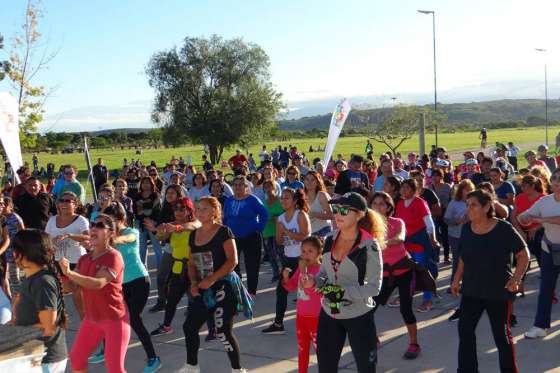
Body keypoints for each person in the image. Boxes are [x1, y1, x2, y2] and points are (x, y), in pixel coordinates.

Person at [451, 190, 529, 373]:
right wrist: (456, 279)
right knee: (465, 331)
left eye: (473, 205)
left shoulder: (503, 229)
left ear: (487, 207)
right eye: (467, 205)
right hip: (471, 290)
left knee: (501, 336)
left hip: (498, 292)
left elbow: (523, 254)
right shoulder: (466, 228)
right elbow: (463, 255)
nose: (468, 209)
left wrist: (516, 278)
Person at [310, 192, 383, 373]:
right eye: (335, 209)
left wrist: (343, 292)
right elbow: (324, 274)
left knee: (366, 369)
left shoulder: (369, 246)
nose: (337, 214)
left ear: (359, 214)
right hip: (329, 313)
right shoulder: (329, 239)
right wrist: (313, 281)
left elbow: (374, 287)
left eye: (344, 210)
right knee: (325, 368)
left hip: (359, 316)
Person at [184, 196, 250, 373]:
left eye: (205, 208)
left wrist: (212, 279)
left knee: (222, 330)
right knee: (189, 326)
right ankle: (192, 366)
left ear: (215, 211)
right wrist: (193, 283)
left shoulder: (224, 232)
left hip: (223, 285)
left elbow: (232, 261)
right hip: (202, 288)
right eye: (197, 209)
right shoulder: (193, 234)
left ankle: (237, 369)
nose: (200, 212)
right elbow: (190, 262)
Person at [59, 213, 130, 373]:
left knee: (115, 369)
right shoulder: (84, 259)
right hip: (92, 320)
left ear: (111, 233)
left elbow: (97, 283)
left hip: (114, 321)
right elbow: (71, 285)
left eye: (99, 226)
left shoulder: (113, 257)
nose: (93, 228)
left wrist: (70, 273)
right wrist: (50, 282)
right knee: (77, 358)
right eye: (92, 225)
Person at [109, 203, 162, 372]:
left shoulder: (132, 232)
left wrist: (109, 239)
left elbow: (124, 239)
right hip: (120, 284)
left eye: (111, 221)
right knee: (113, 319)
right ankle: (107, 351)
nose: (109, 225)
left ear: (122, 219)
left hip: (139, 281)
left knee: (134, 319)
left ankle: (154, 358)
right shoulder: (107, 235)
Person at [370, 192, 421, 359]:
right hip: (382, 274)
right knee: (368, 309)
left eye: (382, 203)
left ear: (389, 206)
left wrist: (379, 243)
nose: (378, 207)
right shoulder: (367, 226)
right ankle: (372, 339)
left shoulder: (398, 222)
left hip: (403, 271)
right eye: (375, 203)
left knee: (406, 309)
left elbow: (400, 238)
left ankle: (414, 343)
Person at [11, 229, 68, 373]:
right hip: (33, 356)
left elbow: (47, 327)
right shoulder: (32, 278)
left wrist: (15, 332)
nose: (13, 254)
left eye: (15, 249)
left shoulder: (43, 282)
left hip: (45, 360)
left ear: (25, 253)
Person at [262, 188, 311, 334]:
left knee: (306, 292)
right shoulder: (281, 218)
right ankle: (278, 324)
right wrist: (281, 233)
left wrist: (287, 232)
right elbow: (279, 240)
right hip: (288, 259)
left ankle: (313, 323)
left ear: (295, 201)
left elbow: (305, 237)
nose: (283, 201)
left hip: (304, 260)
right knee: (281, 291)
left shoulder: (300, 215)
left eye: (287, 198)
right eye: (282, 198)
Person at [150, 197, 200, 337]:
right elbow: (160, 237)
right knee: (171, 300)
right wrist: (158, 230)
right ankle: (166, 326)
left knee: (198, 300)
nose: (178, 211)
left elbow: (192, 226)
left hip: (194, 269)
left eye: (182, 208)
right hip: (178, 268)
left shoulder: (194, 223)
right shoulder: (171, 225)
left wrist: (176, 228)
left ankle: (213, 328)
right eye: (176, 208)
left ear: (189, 210)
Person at [519, 168, 560, 339]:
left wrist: (542, 220)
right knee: (545, 290)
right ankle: (540, 326)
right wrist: (524, 217)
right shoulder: (545, 202)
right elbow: (526, 215)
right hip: (549, 250)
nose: (557, 182)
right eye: (555, 179)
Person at [395, 179, 439, 312]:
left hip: (420, 241)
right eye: (402, 188)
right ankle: (406, 295)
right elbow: (398, 223)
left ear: (414, 190)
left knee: (423, 271)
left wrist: (433, 239)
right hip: (405, 243)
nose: (404, 190)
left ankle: (428, 299)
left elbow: (429, 223)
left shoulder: (420, 202)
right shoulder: (400, 203)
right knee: (407, 271)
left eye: (407, 188)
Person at [281, 236, 323, 373]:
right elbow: (292, 287)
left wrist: (303, 271)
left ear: (319, 252)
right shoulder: (301, 269)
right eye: (303, 251)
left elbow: (314, 288)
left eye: (310, 251)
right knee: (302, 349)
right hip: (301, 317)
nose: (305, 255)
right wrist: (286, 278)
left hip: (317, 318)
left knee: (321, 351)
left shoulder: (321, 270)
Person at [45, 192, 89, 319]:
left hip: (77, 261)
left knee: (76, 290)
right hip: (57, 261)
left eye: (68, 201)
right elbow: (46, 237)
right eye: (62, 200)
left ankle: (84, 318)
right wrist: (50, 244)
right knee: (56, 290)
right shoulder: (52, 220)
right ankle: (58, 318)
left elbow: (88, 237)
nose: (64, 203)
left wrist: (70, 235)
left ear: (75, 204)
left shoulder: (81, 220)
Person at [223, 176, 268, 296]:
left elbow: (264, 214)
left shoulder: (252, 200)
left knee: (252, 265)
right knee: (233, 264)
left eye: (240, 185)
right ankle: (239, 289)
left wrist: (258, 229)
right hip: (233, 238)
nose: (237, 187)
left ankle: (251, 291)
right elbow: (225, 218)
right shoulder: (229, 200)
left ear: (246, 187)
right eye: (235, 185)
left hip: (251, 237)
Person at [511, 175, 546, 265]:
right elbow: (513, 216)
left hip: (538, 229)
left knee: (538, 245)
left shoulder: (543, 199)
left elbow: (547, 219)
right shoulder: (519, 198)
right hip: (521, 229)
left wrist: (535, 229)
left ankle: (544, 267)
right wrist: (519, 231)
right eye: (521, 186)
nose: (522, 188)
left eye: (524, 186)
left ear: (532, 186)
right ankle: (522, 267)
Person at [134, 177, 162, 269]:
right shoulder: (137, 196)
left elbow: (157, 210)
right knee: (142, 247)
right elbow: (135, 210)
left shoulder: (155, 195)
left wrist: (152, 220)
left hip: (153, 223)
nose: (145, 185)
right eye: (143, 183)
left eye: (147, 183)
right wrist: (144, 213)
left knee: (156, 245)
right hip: (140, 223)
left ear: (151, 184)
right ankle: (142, 268)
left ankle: (161, 267)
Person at [1, 196, 24, 298]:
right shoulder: (2, 218)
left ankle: (19, 299)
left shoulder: (15, 218)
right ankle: (10, 298)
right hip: (4, 253)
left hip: (13, 251)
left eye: (5, 205)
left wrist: (21, 250)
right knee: (4, 277)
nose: (3, 207)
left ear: (10, 206)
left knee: (14, 277)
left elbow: (23, 234)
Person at [428, 169, 452, 262]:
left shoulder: (447, 187)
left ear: (441, 177)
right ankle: (436, 255)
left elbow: (451, 199)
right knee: (436, 235)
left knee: (445, 236)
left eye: (437, 175)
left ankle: (446, 256)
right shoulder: (429, 187)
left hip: (445, 213)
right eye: (433, 176)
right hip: (434, 214)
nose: (434, 177)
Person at [262, 180, 283, 282]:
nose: (268, 189)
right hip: (267, 231)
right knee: (271, 255)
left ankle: (285, 273)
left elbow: (286, 214)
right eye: (265, 187)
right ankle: (276, 274)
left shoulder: (281, 201)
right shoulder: (263, 203)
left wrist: (277, 217)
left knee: (281, 254)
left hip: (279, 231)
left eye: (269, 186)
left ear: (275, 188)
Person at [304, 171, 333, 238]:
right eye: (307, 179)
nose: (309, 182)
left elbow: (331, 215)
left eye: (312, 180)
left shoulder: (321, 195)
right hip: (307, 233)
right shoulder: (302, 196)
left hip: (323, 231)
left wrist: (314, 214)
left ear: (317, 182)